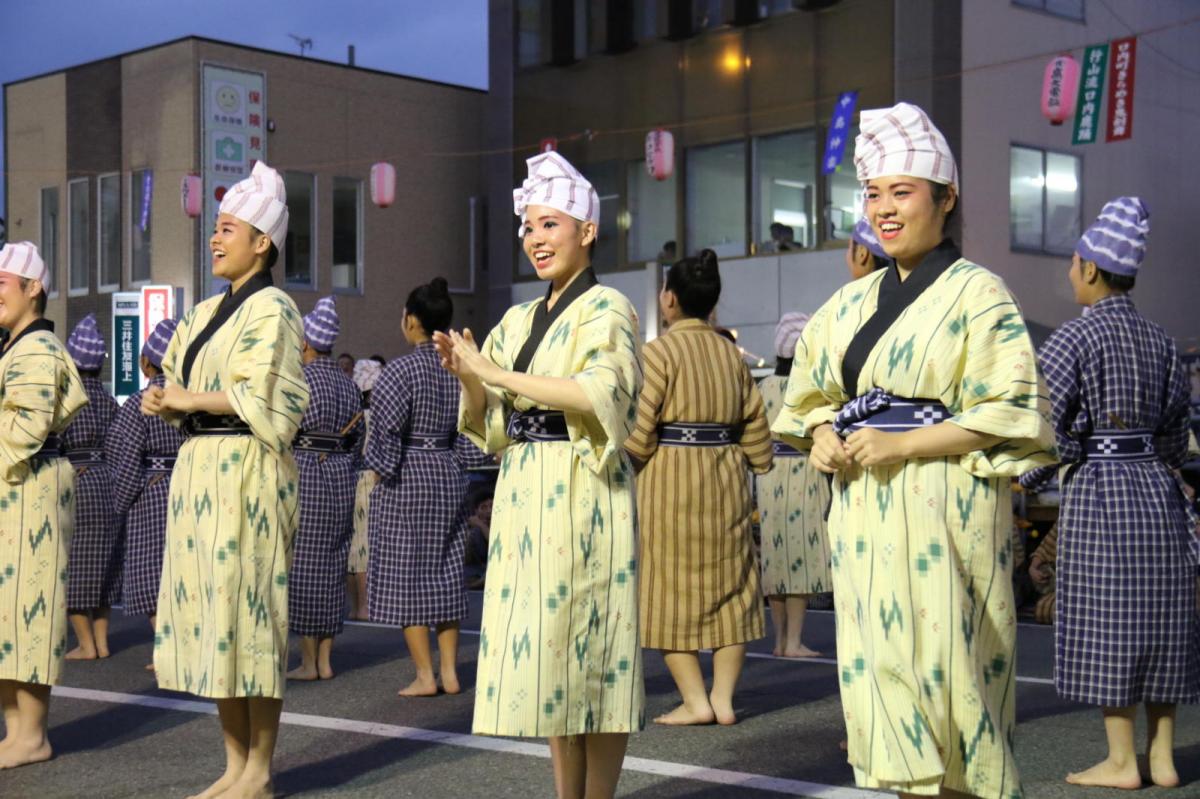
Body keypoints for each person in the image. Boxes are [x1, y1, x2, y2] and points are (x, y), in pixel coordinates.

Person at [771, 102, 1055, 798]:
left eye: (902, 192)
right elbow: (808, 401)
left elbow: (1010, 411)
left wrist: (902, 443)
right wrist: (823, 438)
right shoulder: (846, 305)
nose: (886, 209)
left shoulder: (980, 293)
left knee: (954, 686)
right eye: (874, 194)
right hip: (866, 520)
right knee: (887, 693)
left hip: (944, 511)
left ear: (946, 196)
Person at [435, 151, 643, 799]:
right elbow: (487, 422)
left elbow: (599, 393)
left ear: (587, 230)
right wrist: (469, 374)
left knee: (596, 652)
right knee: (555, 654)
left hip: (584, 489)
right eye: (528, 228)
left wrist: (493, 373)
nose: (535, 240)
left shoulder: (609, 307)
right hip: (528, 489)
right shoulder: (519, 318)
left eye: (550, 225)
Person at [142, 161, 309, 798]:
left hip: (248, 470)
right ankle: (234, 764)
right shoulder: (207, 307)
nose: (215, 239)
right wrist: (167, 398)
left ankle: (260, 771)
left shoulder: (276, 308)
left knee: (252, 618)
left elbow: (263, 396)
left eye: (228, 229)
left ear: (262, 242)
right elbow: (176, 378)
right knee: (216, 620)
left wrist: (184, 399)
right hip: (200, 470)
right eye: (215, 227)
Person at [1038, 197, 1198, 790]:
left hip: (1102, 494)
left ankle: (1121, 760)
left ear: (1088, 267)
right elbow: (1178, 436)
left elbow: (1047, 425)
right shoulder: (1161, 342)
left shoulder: (1071, 340)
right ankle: (1162, 757)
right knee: (1161, 621)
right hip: (1158, 490)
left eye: (1073, 264)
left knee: (1110, 622)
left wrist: (1026, 477)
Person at [625, 249, 772, 726]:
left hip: (669, 480)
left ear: (669, 299)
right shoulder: (731, 354)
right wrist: (759, 460)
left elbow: (640, 427)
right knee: (734, 587)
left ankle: (695, 700)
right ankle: (725, 698)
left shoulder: (658, 352)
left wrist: (626, 461)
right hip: (726, 475)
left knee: (665, 588)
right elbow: (754, 419)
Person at [366, 278, 482, 697]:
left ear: (411, 320)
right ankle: (451, 672)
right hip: (450, 472)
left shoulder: (397, 371)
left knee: (406, 573)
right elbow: (472, 429)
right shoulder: (458, 369)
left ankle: (425, 675)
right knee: (448, 567)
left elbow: (386, 434)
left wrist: (381, 470)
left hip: (408, 474)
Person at [0, 242, 88, 769]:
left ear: (34, 289)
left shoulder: (36, 350)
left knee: (28, 610)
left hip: (28, 487)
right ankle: (17, 731)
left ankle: (31, 734)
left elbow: (22, 431)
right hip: (17, 488)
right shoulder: (18, 346)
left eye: (2, 284)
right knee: (7, 617)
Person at [288, 297, 361, 682]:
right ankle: (327, 660)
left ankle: (308, 661)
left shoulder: (300, 381)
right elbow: (359, 437)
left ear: (306, 344)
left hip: (306, 475)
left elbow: (283, 430)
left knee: (303, 566)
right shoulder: (349, 385)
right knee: (334, 564)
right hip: (341, 478)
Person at [107, 318, 185, 666]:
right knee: (182, 570)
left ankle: (166, 646)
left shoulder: (140, 402)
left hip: (150, 490)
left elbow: (126, 457)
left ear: (146, 362)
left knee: (149, 571)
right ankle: (184, 643)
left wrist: (121, 502)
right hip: (187, 487)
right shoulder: (189, 397)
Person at [757, 311, 830, 658]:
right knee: (801, 553)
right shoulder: (811, 386)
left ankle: (779, 639)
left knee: (775, 556)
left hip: (770, 475)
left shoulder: (764, 387)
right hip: (804, 471)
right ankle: (794, 641)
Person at [61, 313, 122, 660]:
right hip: (107, 482)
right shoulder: (108, 400)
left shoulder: (70, 397)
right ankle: (101, 642)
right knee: (105, 564)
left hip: (78, 481)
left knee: (75, 564)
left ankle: (85, 644)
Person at [346, 358, 383, 621]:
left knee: (354, 546)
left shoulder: (354, 414)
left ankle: (356, 606)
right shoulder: (376, 416)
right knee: (366, 547)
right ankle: (366, 606)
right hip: (371, 480)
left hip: (351, 478)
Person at [463, 487, 493, 590]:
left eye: (492, 506)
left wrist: (480, 524)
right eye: (483, 507)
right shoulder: (474, 532)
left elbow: (496, 545)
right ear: (476, 511)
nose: (489, 511)